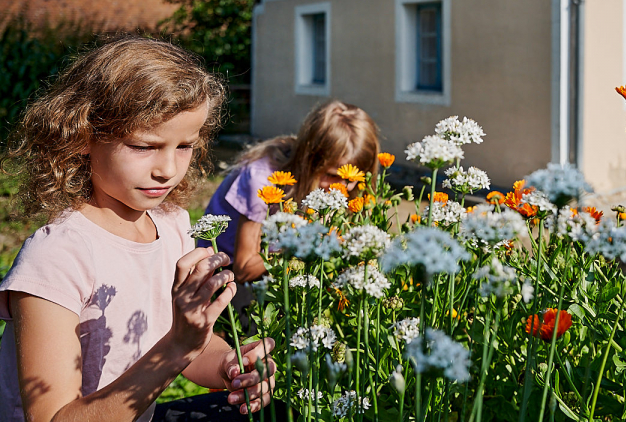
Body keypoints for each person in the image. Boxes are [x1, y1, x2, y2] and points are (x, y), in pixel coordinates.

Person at [0, 37, 274, 422]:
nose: (168, 169)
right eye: (144, 146)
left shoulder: (172, 224)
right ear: (82, 136)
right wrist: (176, 349)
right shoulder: (57, 257)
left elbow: (187, 343)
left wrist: (229, 366)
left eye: (184, 146)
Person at [199, 100, 380, 283]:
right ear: (309, 161)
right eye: (332, 175)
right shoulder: (263, 179)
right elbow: (243, 270)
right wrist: (303, 241)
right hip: (224, 272)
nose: (345, 187)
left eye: (354, 178)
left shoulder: (347, 188)